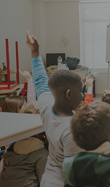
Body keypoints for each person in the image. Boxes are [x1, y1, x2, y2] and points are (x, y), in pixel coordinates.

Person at [26, 31, 83, 187]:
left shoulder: (46, 107)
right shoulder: (72, 130)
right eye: (81, 91)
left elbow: (40, 81)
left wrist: (35, 51)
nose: (83, 96)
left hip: (49, 178)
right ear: (69, 94)